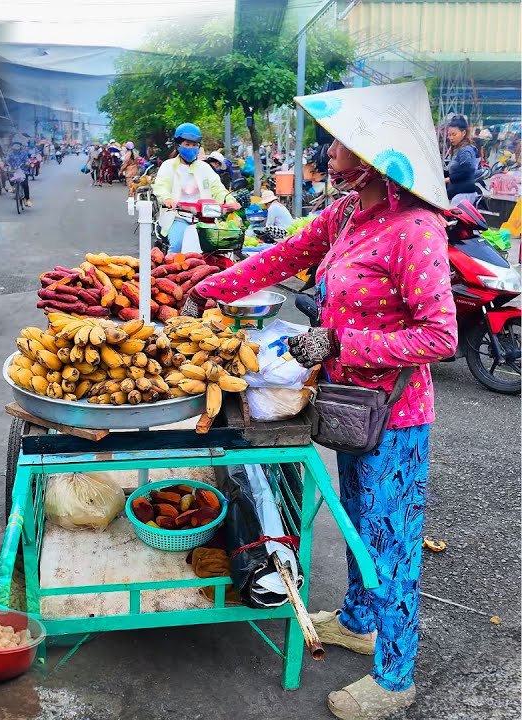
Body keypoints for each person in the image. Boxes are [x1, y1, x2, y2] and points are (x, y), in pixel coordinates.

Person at [181, 82, 456, 720]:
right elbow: (281, 258)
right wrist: (211, 289)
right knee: (359, 518)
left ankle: (396, 677)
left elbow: (440, 337)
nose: (328, 151)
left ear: (373, 159)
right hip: (347, 405)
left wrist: (339, 341)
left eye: (339, 143)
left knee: (393, 541)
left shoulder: (416, 230)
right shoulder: (348, 215)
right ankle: (359, 621)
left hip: (395, 417)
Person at [152, 123, 233, 253]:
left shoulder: (205, 168)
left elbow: (218, 188)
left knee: (215, 249)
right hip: (177, 217)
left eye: (195, 145)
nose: (191, 148)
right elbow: (161, 187)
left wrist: (229, 201)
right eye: (187, 144)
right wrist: (167, 199)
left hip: (205, 219)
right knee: (177, 245)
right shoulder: (168, 166)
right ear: (178, 146)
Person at [444, 114, 480, 206]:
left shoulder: (465, 150)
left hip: (463, 196)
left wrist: (448, 179)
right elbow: (455, 171)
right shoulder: (458, 149)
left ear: (463, 133)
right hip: (458, 194)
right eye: (449, 135)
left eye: (454, 134)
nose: (451, 138)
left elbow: (467, 171)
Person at [6, 142, 32, 207]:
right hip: (14, 170)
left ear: (20, 147)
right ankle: (13, 188)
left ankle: (27, 199)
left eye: (18, 147)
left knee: (25, 185)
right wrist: (6, 164)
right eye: (15, 148)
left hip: (23, 170)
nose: (16, 149)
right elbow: (7, 160)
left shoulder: (24, 153)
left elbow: (27, 160)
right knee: (10, 178)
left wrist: (27, 163)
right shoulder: (10, 154)